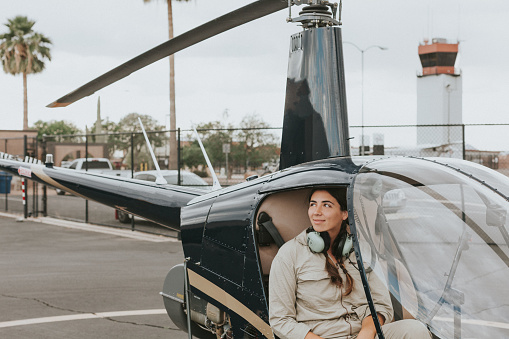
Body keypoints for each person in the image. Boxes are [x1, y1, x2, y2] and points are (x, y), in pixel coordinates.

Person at [269, 188, 431, 339]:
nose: (316, 212)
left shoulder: (362, 249)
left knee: (415, 329)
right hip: (321, 336)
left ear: (344, 214)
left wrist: (367, 333)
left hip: (363, 333)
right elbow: (280, 320)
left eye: (326, 205)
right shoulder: (289, 254)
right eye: (313, 204)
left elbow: (380, 304)